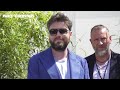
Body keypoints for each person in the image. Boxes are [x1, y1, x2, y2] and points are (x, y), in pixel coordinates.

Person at [27, 12, 89, 79]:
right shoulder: (36, 61)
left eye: (62, 31)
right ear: (49, 35)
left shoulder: (82, 63)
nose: (58, 35)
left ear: (70, 34)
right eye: (53, 31)